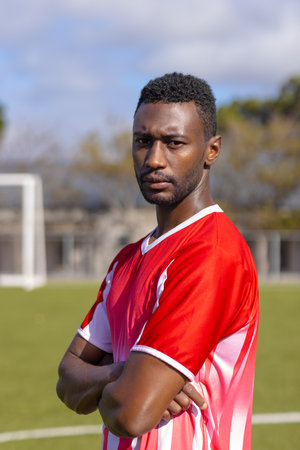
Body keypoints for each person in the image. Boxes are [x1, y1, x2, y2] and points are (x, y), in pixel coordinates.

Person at [56, 72, 259, 450]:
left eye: (174, 143)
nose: (154, 159)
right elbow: (67, 381)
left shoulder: (212, 253)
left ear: (211, 150)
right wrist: (122, 372)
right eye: (143, 141)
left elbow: (130, 414)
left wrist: (111, 382)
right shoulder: (127, 260)